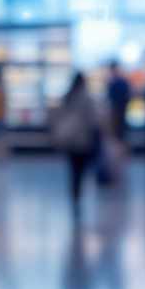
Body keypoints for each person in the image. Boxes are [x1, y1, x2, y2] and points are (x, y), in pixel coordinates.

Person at [49, 72, 99, 216]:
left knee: (73, 169)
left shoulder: (67, 96)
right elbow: (93, 119)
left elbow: (57, 116)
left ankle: (74, 194)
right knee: (81, 169)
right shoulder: (86, 98)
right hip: (83, 139)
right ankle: (78, 194)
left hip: (70, 139)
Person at [105, 61, 132, 146]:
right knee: (119, 131)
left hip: (119, 109)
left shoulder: (115, 82)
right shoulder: (119, 81)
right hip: (120, 109)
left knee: (119, 130)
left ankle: (121, 146)